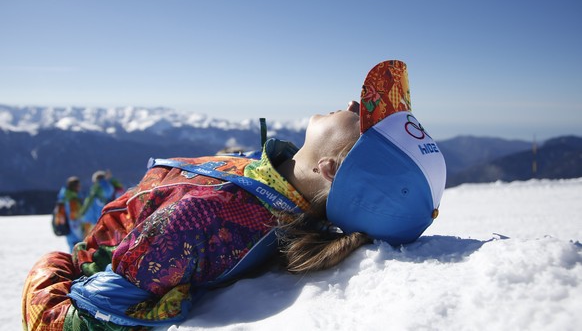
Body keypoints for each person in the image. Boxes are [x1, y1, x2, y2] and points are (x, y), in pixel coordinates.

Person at [22, 60, 446, 330]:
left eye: (363, 118)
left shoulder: (209, 216)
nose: (354, 102)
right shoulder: (265, 190)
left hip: (79, 271)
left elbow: (73, 322)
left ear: (330, 168)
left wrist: (50, 268)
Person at [80, 170, 121, 235]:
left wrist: (82, 212)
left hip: (98, 213)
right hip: (110, 212)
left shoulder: (96, 188)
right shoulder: (111, 186)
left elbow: (89, 201)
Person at [54, 176, 85, 252]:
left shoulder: (64, 198)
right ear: (75, 187)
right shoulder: (72, 201)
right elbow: (74, 220)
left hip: (69, 232)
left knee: (73, 252)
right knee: (77, 255)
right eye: (78, 186)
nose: (80, 188)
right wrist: (81, 236)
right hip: (75, 233)